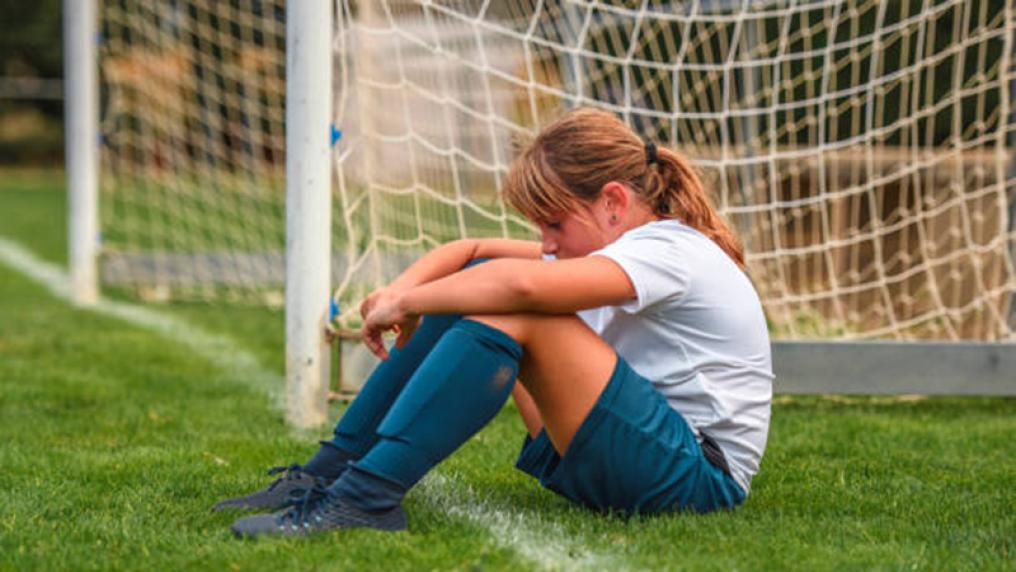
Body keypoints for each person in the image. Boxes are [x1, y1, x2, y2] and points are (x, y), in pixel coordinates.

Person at [218, 107, 773, 537]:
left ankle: (366, 498)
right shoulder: (619, 247)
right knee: (485, 280)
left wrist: (411, 306)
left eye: (553, 224)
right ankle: (330, 471)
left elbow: (522, 285)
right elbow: (474, 251)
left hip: (698, 476)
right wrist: (402, 289)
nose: (546, 243)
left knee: (517, 304)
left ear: (612, 201)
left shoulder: (669, 249)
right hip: (629, 453)